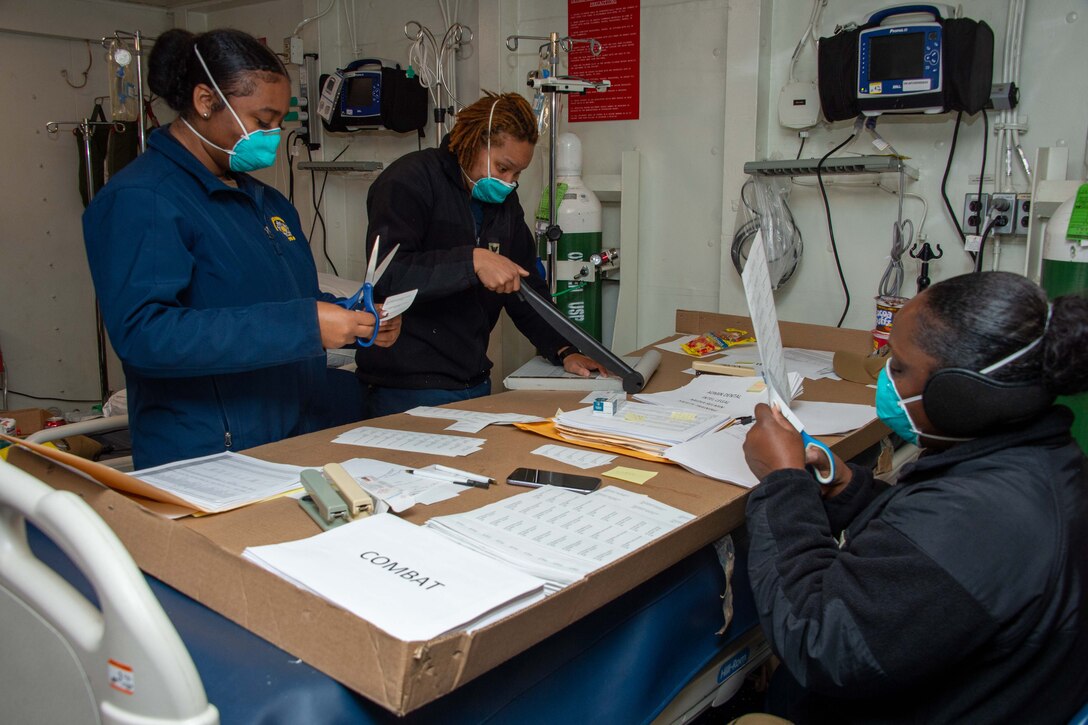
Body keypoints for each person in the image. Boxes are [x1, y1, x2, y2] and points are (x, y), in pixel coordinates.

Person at [741, 271, 1088, 724]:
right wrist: (851, 488)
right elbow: (922, 554)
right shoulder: (1039, 463)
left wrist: (783, 481)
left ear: (964, 393)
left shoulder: (979, 517)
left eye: (899, 367)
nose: (885, 377)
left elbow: (817, 641)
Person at [82, 28, 399, 469]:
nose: (271, 136)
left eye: (279, 123)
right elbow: (146, 335)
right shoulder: (144, 199)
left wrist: (351, 316)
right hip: (209, 453)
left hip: (291, 438)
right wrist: (304, 324)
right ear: (205, 101)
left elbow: (279, 298)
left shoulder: (265, 202)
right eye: (261, 122)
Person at [353, 91, 606, 418]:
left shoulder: (503, 204)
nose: (508, 183)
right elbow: (389, 275)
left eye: (517, 174)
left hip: (472, 380)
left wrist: (563, 349)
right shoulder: (410, 180)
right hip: (406, 386)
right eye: (503, 168)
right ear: (473, 142)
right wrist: (471, 261)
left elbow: (525, 288)